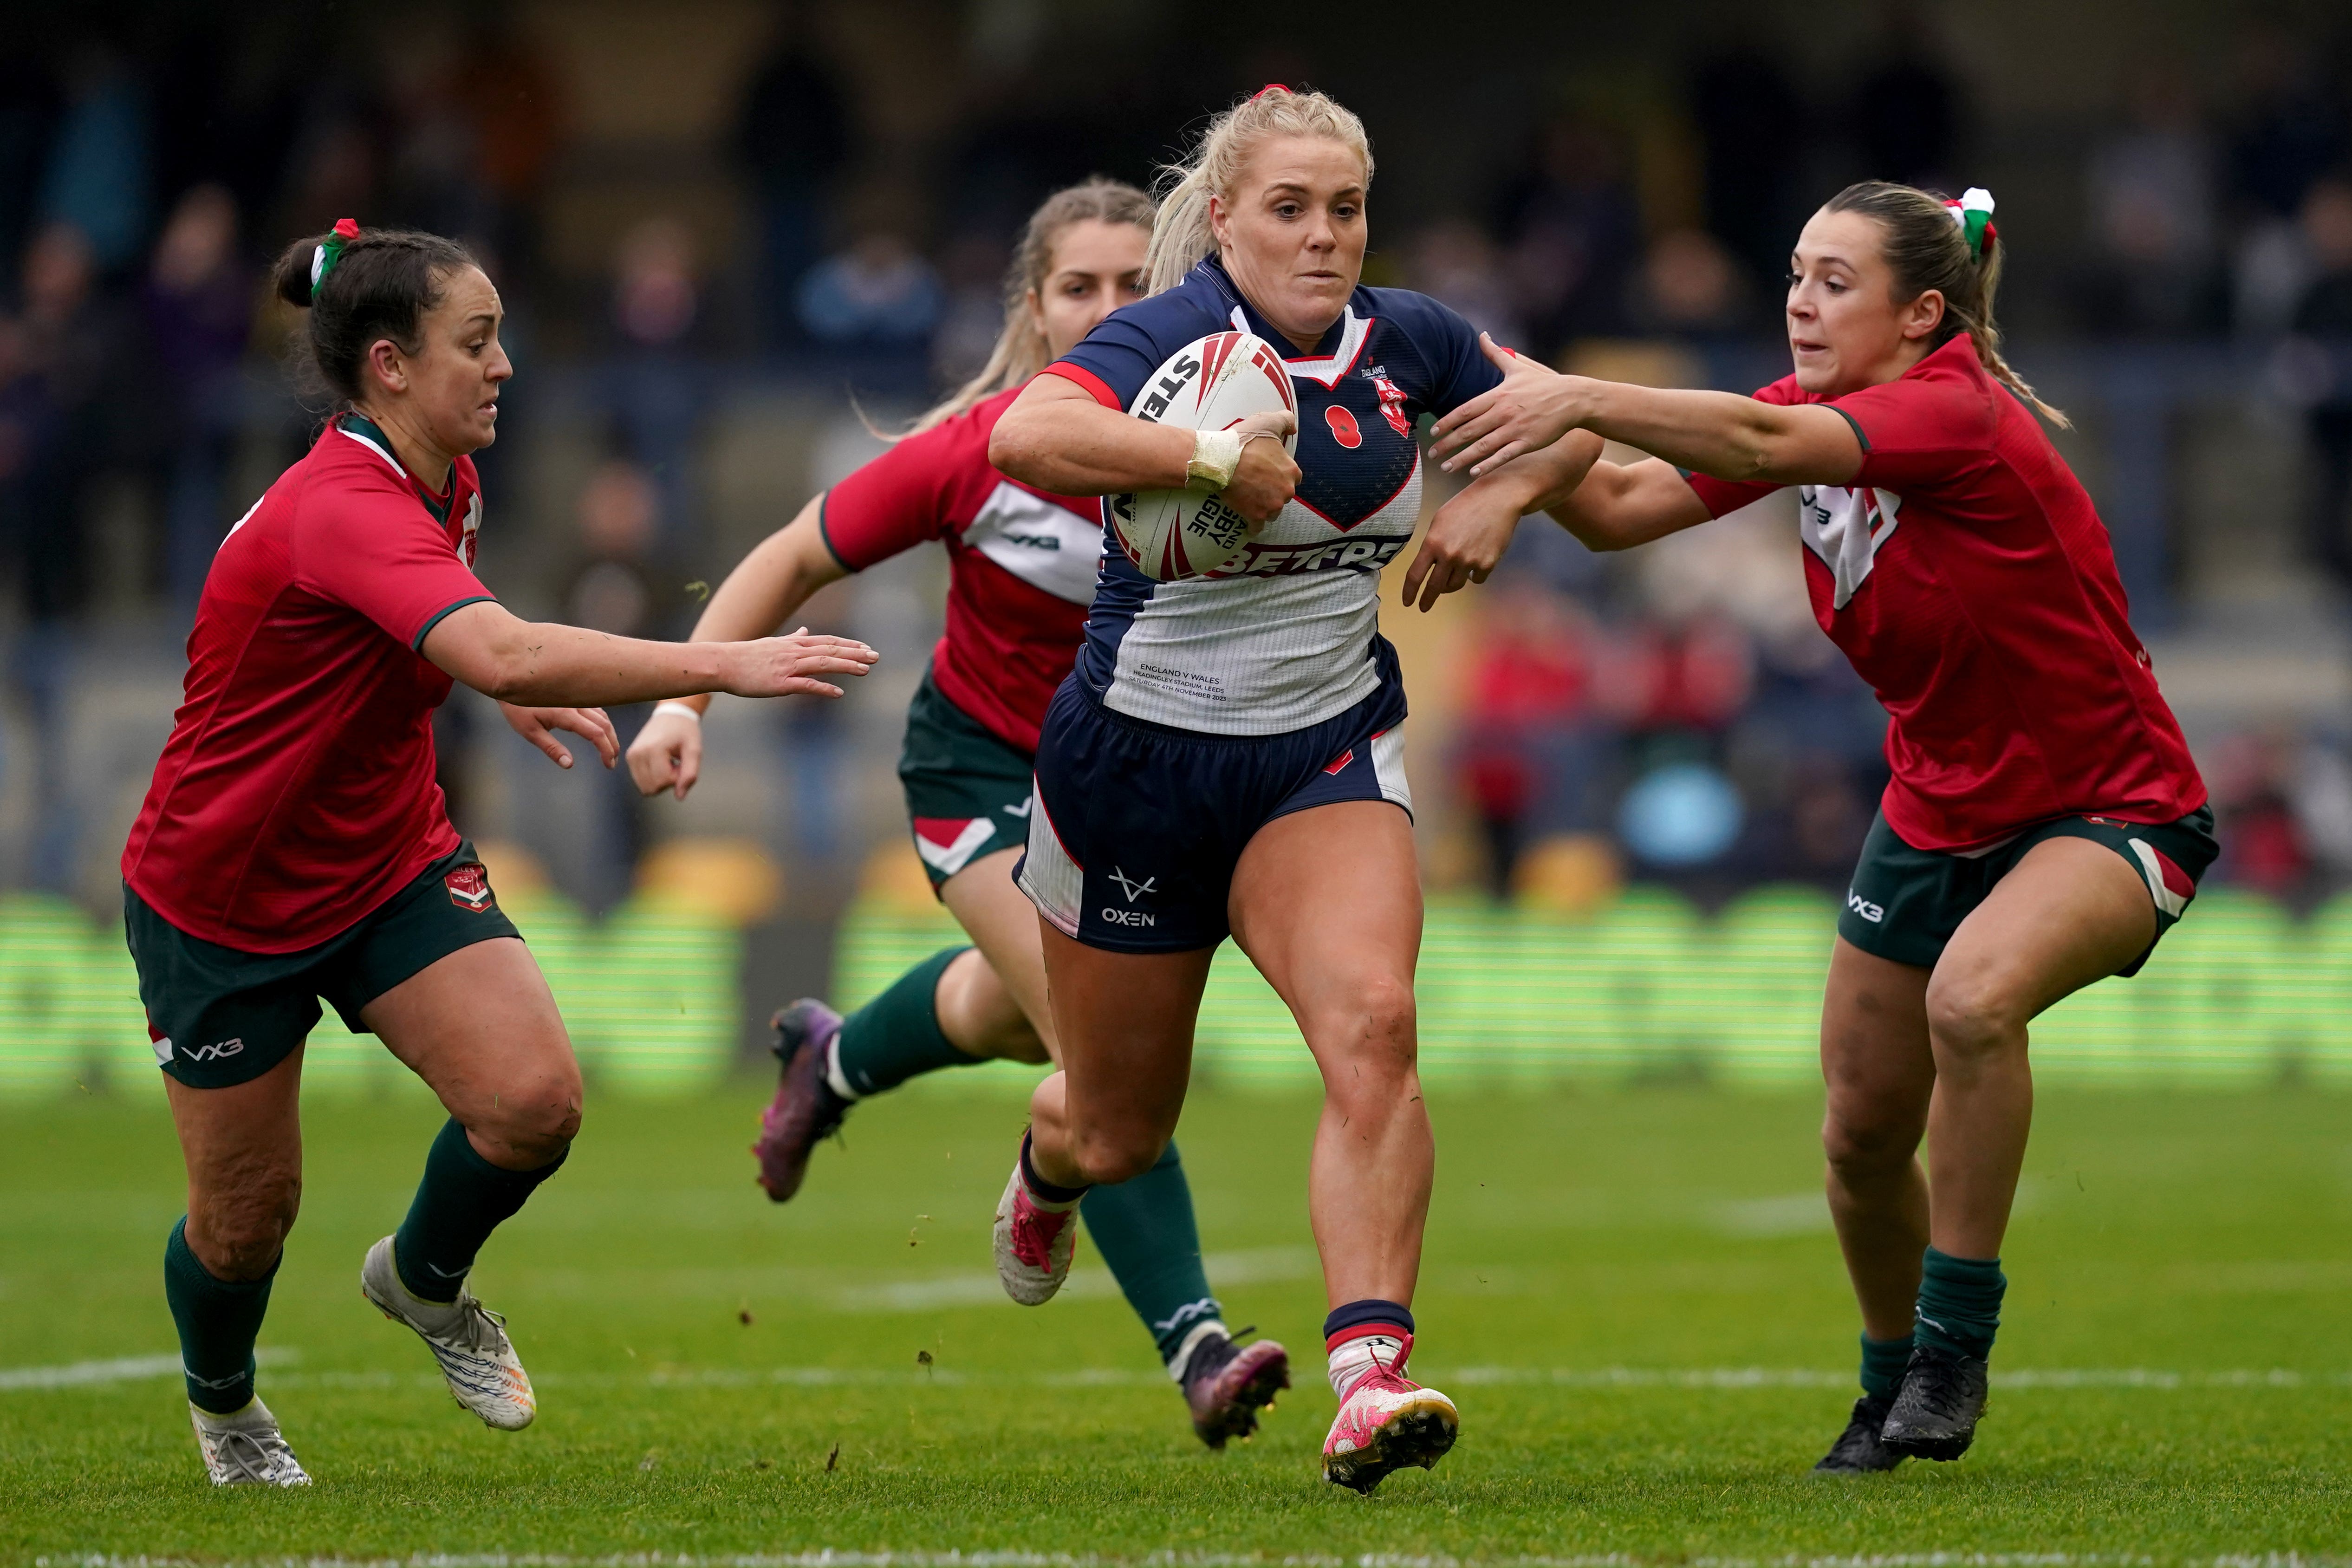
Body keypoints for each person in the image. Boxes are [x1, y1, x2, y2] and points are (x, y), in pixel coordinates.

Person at [1407, 180, 2214, 1471]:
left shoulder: (1951, 412)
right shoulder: (1804, 413)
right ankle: (1887, 1387)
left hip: (2109, 805)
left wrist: (1570, 395)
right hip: (1934, 807)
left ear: (1922, 314)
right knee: (1853, 1136)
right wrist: (1507, 467)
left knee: (1971, 1001)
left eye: (1835, 280)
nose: (1798, 298)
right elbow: (1615, 510)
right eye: (1793, 272)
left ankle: (1953, 1349)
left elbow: (1755, 447)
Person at [122, 220, 877, 1487]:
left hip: (383, 859)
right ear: (390, 365)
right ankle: (226, 1402)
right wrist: (720, 663)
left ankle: (422, 1282)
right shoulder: (338, 501)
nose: (506, 365)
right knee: (245, 1224)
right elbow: (506, 644)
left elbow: (432, 636)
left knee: (533, 1104)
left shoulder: (443, 475)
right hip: (224, 898)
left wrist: (479, 677)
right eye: (476, 341)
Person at [626, 179, 1291, 1451]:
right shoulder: (982, 448)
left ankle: (842, 1060)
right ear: (1033, 312)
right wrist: (685, 698)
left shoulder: (1232, 443)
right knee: (1103, 1064)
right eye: (1078, 287)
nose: (1107, 308)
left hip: (1136, 793)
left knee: (1006, 1006)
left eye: (1132, 286)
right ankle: (1198, 1345)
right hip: (982, 774)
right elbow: (788, 555)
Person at [984, 86, 1570, 1493]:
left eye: (1346, 208)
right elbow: (1025, 437)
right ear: (1228, 220)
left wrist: (1501, 490)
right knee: (1119, 1121)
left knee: (1373, 1024)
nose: (1323, 237)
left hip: (1321, 749)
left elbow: (1565, 411)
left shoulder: (1410, 336)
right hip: (1134, 763)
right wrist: (1205, 459)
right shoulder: (1164, 334)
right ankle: (1046, 1163)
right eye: (1290, 209)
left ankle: (1368, 1375)